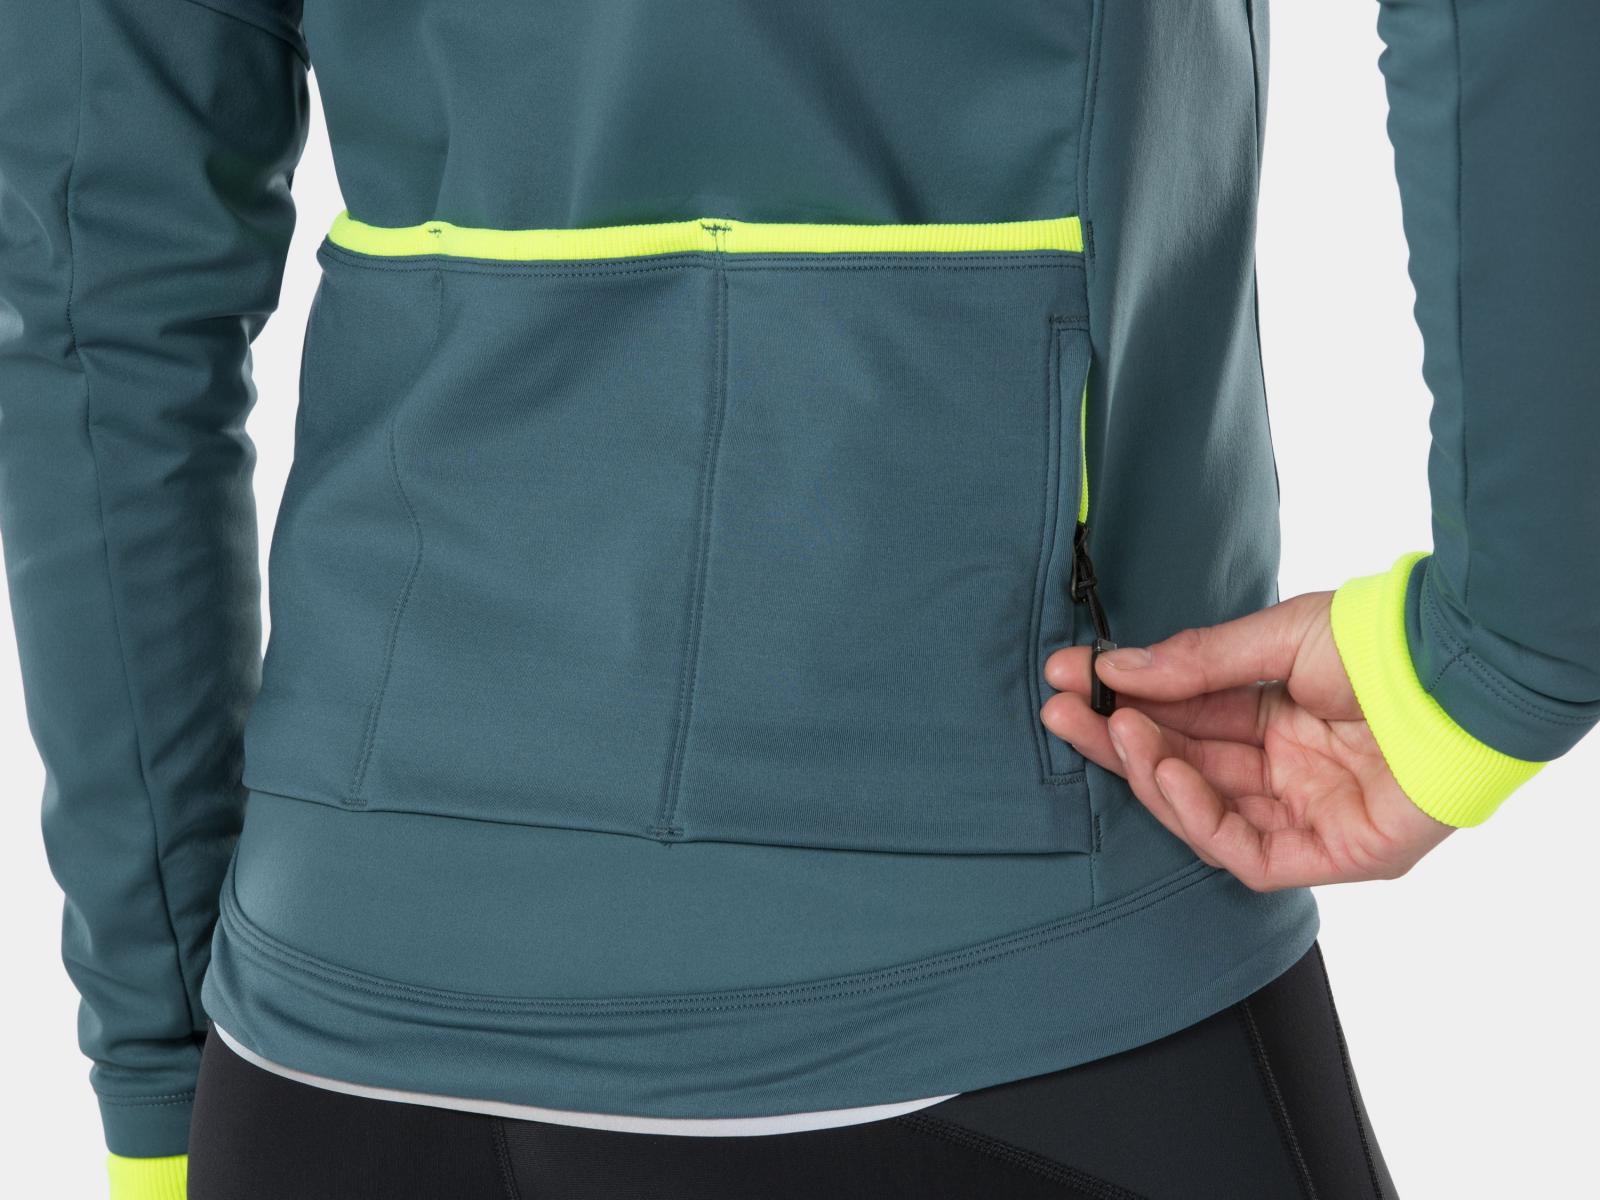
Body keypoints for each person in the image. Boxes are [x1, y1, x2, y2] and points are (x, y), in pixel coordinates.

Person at [1, 1, 1594, 1197]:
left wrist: (159, 1060)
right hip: (1017, 956)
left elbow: (96, 287)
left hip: (332, 1038)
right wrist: (1508, 657)